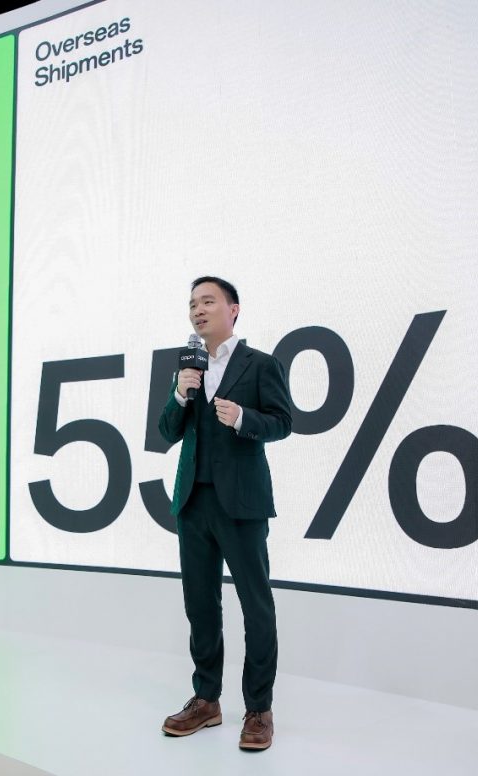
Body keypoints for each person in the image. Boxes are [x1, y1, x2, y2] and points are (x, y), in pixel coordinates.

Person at [158, 276, 292, 751]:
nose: (198, 310)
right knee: (200, 603)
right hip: (193, 502)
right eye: (192, 303)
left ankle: (259, 708)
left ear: (233, 309)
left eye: (208, 301)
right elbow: (167, 431)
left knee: (256, 604)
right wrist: (179, 394)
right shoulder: (188, 368)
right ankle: (206, 699)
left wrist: (244, 419)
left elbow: (284, 422)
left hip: (242, 503)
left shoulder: (261, 364)